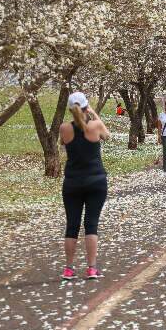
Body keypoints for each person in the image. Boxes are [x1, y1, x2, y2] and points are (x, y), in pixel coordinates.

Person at [60, 92, 110, 280]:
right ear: (85, 107)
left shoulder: (64, 128)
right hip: (96, 181)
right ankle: (91, 268)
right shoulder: (95, 126)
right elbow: (107, 136)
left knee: (72, 225)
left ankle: (68, 268)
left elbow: (63, 144)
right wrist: (94, 113)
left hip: (72, 182)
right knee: (91, 224)